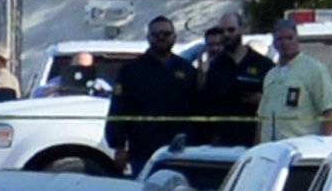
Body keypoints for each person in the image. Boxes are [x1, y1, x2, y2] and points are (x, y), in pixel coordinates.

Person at [106, 15, 198, 175]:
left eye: (166, 34)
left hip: (179, 150)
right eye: (156, 35)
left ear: (174, 37)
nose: (161, 38)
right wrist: (119, 147)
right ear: (148, 38)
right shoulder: (131, 70)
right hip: (143, 151)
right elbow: (119, 109)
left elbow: (197, 108)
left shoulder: (187, 70)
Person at [196, 15, 273, 145]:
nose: (226, 34)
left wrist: (261, 99)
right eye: (222, 31)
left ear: (241, 29)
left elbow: (277, 100)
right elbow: (206, 104)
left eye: (231, 30)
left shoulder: (263, 64)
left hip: (255, 140)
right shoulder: (215, 66)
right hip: (223, 142)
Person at [257, 19, 332, 143]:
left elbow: (328, 111)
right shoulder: (271, 75)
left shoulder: (314, 69)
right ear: (274, 43)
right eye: (280, 39)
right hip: (271, 149)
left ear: (297, 39)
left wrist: (321, 145)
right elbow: (262, 117)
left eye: (290, 38)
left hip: (300, 148)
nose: (285, 43)